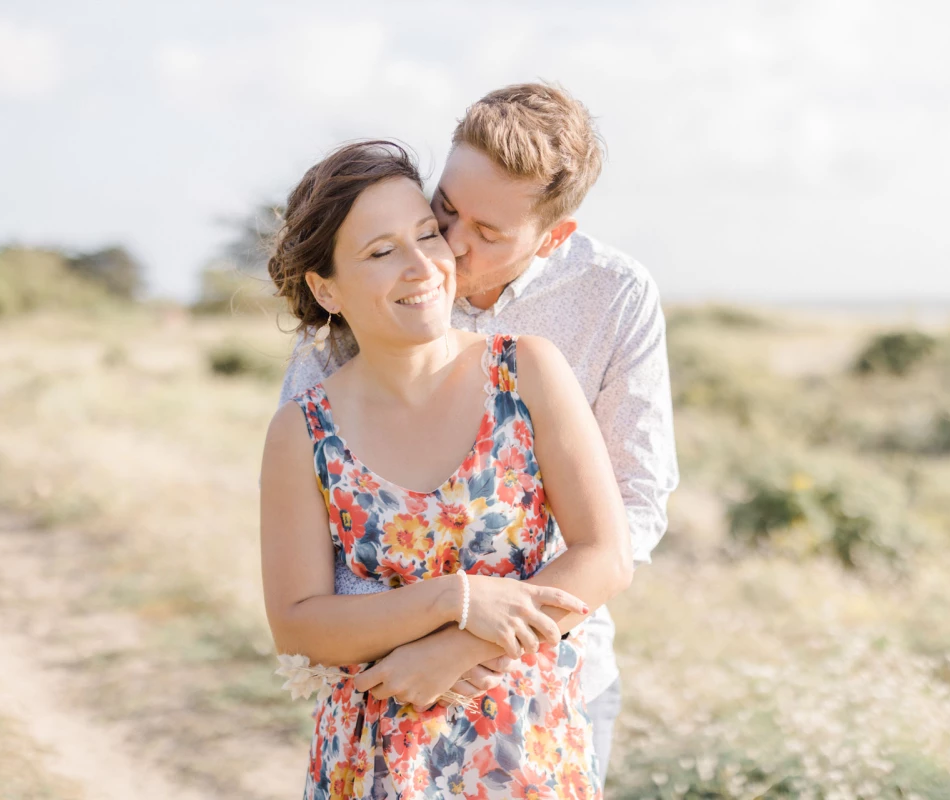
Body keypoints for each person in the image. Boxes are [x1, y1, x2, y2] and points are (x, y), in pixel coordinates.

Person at [278, 82, 680, 787]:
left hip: (552, 689)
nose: (451, 249)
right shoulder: (370, 300)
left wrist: (469, 647)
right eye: (445, 210)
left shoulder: (611, 298)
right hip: (384, 696)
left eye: (488, 234)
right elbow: (314, 533)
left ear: (554, 238)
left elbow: (633, 510)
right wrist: (418, 636)